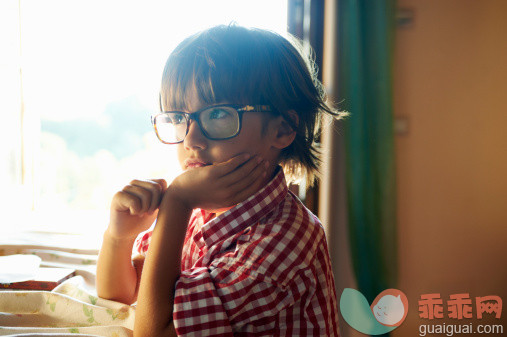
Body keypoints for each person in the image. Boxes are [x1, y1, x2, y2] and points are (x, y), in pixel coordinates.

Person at [96, 24, 344, 337]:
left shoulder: (283, 243)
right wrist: (119, 237)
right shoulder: (200, 209)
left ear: (282, 129)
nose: (191, 139)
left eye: (218, 115)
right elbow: (122, 296)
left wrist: (176, 201)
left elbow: (153, 332)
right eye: (178, 117)